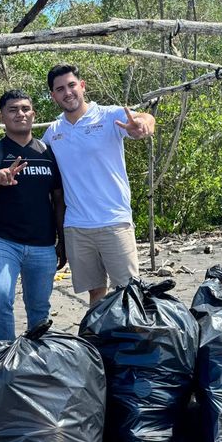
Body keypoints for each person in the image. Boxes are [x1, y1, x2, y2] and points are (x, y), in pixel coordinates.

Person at [43, 63, 155, 306]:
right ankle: (99, 342)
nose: (68, 92)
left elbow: (143, 118)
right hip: (76, 227)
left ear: (82, 86)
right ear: (53, 96)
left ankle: (134, 342)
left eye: (72, 85)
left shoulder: (109, 116)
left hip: (114, 221)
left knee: (129, 292)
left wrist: (143, 124)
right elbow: (37, 167)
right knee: (96, 293)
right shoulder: (53, 132)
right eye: (60, 89)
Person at [0, 89, 66, 341]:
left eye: (24, 109)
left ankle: (34, 359)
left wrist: (62, 241)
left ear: (33, 114)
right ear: (2, 117)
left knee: (39, 312)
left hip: (43, 245)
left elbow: (58, 201)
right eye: (12, 110)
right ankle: (4, 354)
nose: (20, 114)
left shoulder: (48, 153)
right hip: (3, 243)